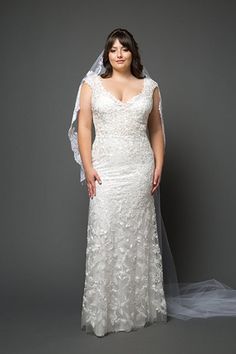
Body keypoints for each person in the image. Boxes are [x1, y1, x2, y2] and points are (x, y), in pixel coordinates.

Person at [68, 28, 236, 338]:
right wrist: (88, 166)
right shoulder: (90, 85)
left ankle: (139, 309)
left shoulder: (150, 87)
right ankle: (104, 312)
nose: (119, 54)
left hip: (139, 168)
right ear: (106, 55)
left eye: (125, 49)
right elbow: (84, 127)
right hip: (106, 169)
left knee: (137, 236)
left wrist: (159, 163)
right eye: (113, 49)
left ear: (133, 53)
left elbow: (157, 130)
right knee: (106, 232)